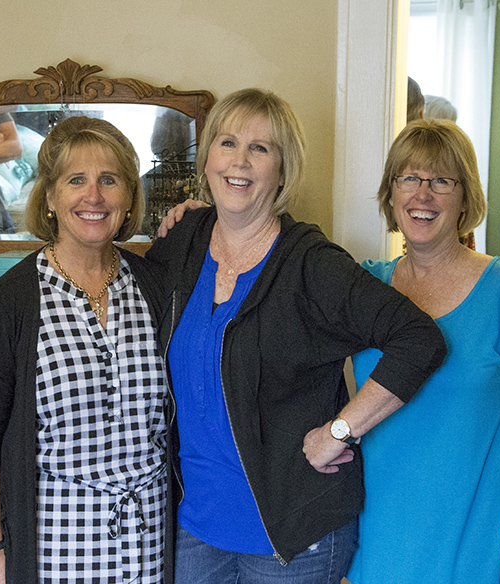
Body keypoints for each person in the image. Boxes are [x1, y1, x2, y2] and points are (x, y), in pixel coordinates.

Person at [144, 88, 447, 584]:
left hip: (294, 538)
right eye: (227, 143)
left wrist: (340, 431)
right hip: (196, 527)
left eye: (260, 149)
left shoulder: (311, 264)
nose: (239, 161)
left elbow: (419, 339)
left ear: (282, 170)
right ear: (207, 158)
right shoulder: (184, 239)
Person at [344, 119, 500, 584]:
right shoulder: (365, 286)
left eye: (441, 181)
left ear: (464, 198)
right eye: (409, 178)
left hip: (474, 540)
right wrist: (202, 219)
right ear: (391, 194)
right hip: (376, 539)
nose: (422, 195)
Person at [0, 116, 173, 583]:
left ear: (129, 197)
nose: (93, 196)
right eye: (76, 180)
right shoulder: (10, 302)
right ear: (51, 197)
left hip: (151, 537)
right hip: (55, 542)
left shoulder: (157, 286)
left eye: (109, 180)